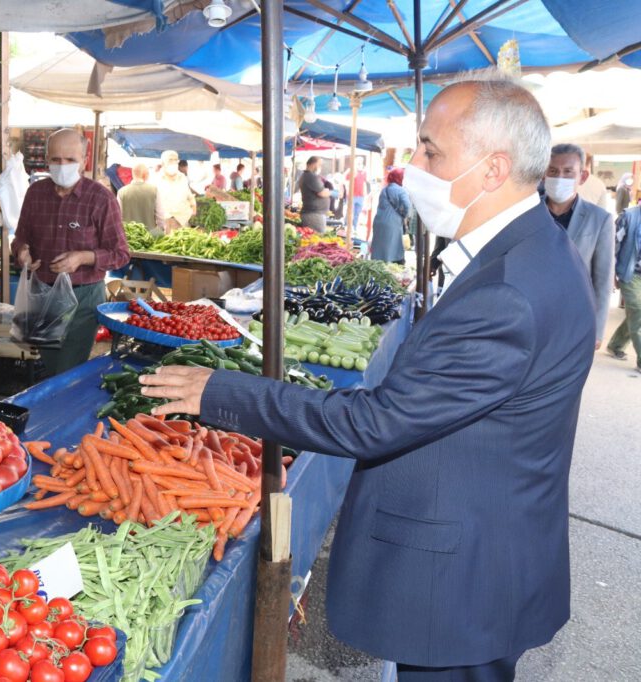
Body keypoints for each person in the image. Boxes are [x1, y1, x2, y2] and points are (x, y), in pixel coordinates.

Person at [140, 79, 595, 682]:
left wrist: (220, 392)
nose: (415, 167)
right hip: (487, 551)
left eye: (431, 151)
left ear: (493, 170)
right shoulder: (532, 251)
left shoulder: (508, 292)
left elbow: (375, 421)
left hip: (461, 584)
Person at [11, 129, 129, 376]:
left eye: (70, 160)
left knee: (68, 368)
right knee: (51, 364)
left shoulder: (100, 199)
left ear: (84, 161)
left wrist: (83, 257)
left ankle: (58, 407)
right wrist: (22, 252)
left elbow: (120, 253)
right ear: (47, 160)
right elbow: (21, 238)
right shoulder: (36, 194)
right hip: (43, 295)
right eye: (55, 159)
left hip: (83, 298)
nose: (62, 165)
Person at [544, 143, 615, 349]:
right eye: (553, 171)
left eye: (568, 172)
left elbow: (602, 280)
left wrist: (597, 329)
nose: (560, 178)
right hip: (530, 313)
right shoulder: (529, 211)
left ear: (582, 177)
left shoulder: (599, 219)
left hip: (573, 316)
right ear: (543, 174)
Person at [606, 203, 641, 370]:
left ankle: (615, 345)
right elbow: (612, 246)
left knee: (635, 314)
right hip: (630, 274)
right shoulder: (629, 217)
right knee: (639, 311)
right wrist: (611, 274)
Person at [369, 168, 410, 265]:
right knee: (393, 251)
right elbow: (407, 206)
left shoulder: (384, 190)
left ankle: (378, 269)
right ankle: (391, 272)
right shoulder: (401, 190)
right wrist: (404, 215)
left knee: (380, 251)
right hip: (393, 223)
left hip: (379, 222)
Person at [154, 149, 196, 233]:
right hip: (164, 223)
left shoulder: (182, 178)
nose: (173, 163)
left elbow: (190, 196)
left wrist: (194, 209)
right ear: (163, 163)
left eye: (175, 161)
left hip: (182, 221)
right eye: (170, 161)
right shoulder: (156, 179)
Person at [117, 163, 161, 237]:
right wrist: (159, 232)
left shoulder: (122, 191)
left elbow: (118, 217)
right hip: (149, 237)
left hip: (129, 237)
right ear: (145, 175)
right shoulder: (154, 190)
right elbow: (160, 216)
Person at [299, 156, 331, 232]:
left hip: (313, 214)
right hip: (314, 215)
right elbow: (322, 193)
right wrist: (332, 192)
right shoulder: (310, 176)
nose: (320, 167)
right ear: (313, 164)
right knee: (316, 240)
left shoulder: (306, 176)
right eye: (319, 164)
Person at [347, 157, 369, 236]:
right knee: (350, 213)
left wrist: (365, 196)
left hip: (360, 196)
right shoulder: (351, 171)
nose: (360, 164)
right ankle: (347, 228)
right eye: (358, 162)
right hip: (352, 195)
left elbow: (364, 184)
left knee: (357, 213)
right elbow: (345, 181)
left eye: (361, 162)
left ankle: (354, 228)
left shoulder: (364, 172)